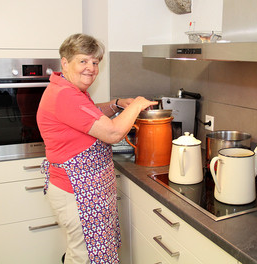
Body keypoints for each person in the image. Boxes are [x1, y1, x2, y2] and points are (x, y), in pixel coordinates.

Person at [37, 33, 157, 264]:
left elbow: (89, 116)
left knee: (90, 254)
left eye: (95, 62)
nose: (91, 68)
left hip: (86, 191)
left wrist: (117, 104)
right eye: (83, 61)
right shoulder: (66, 95)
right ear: (65, 62)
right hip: (77, 192)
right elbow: (112, 133)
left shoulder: (68, 88)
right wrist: (138, 105)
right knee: (86, 258)